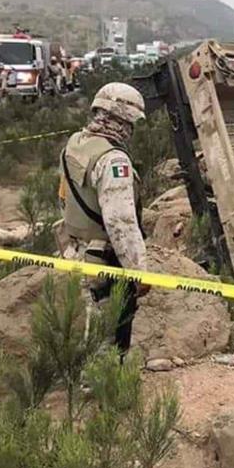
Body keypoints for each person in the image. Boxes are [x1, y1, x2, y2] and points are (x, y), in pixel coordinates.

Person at [59, 82, 150, 353]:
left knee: (88, 321)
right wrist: (138, 271)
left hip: (76, 250)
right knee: (111, 331)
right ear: (125, 119)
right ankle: (103, 387)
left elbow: (63, 196)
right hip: (105, 260)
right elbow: (120, 223)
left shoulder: (76, 144)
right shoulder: (114, 161)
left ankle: (87, 381)